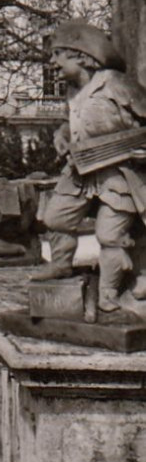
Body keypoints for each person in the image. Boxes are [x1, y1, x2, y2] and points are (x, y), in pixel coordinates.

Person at [31, 20, 146, 313]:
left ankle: (109, 295)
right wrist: (63, 134)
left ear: (81, 55)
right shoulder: (73, 92)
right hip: (81, 170)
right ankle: (60, 266)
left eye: (58, 54)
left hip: (120, 173)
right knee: (56, 218)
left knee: (110, 235)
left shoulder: (116, 84)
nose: (52, 62)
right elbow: (78, 124)